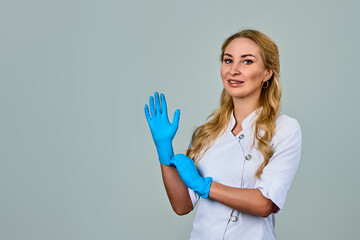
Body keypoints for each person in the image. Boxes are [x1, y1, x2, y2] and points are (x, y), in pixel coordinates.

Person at [144, 29, 302, 240]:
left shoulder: (285, 129)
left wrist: (205, 187)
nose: (233, 70)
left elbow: (265, 204)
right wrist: (164, 151)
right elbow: (182, 206)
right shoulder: (208, 131)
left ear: (267, 72)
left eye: (246, 62)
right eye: (228, 60)